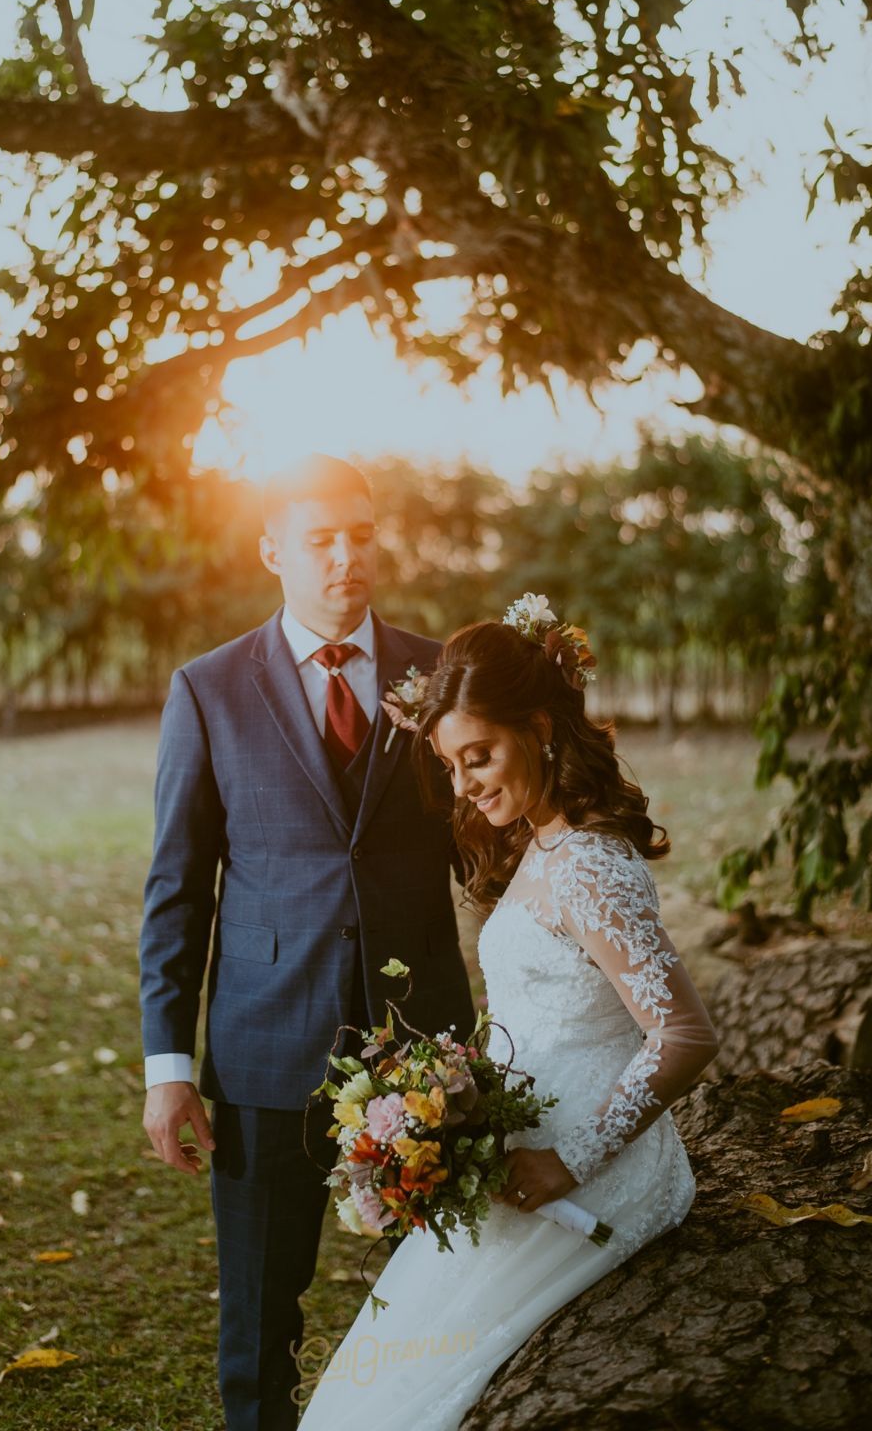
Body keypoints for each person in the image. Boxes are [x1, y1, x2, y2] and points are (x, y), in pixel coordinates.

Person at [297, 605, 719, 1429]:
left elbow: (686, 1035)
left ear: (538, 728)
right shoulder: (543, 841)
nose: (464, 786)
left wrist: (570, 1160)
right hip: (525, 1154)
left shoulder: (591, 864)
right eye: (451, 765)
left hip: (590, 1176)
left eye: (479, 757)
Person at [138, 453, 475, 1431]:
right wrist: (168, 1068)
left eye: (361, 537)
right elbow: (176, 890)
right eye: (320, 539)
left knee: (446, 1308)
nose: (345, 558)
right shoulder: (207, 690)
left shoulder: (439, 673)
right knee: (258, 1324)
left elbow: (489, 835)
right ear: (271, 549)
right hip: (263, 1055)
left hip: (424, 1052)